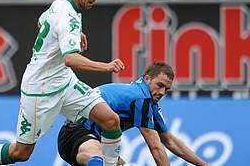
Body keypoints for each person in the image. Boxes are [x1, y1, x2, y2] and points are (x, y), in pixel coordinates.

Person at [0, 0, 125, 165]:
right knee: (21, 152)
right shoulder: (68, 14)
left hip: (65, 81)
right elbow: (70, 59)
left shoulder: (61, 3)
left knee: (111, 120)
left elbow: (41, 22)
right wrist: (106, 66)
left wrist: (69, 35)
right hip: (41, 89)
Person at [58, 62, 210, 166]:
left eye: (167, 89)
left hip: (91, 138)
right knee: (99, 159)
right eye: (160, 85)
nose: (162, 92)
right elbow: (156, 147)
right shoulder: (141, 98)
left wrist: (203, 164)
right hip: (76, 134)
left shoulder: (147, 101)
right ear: (147, 79)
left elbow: (170, 140)